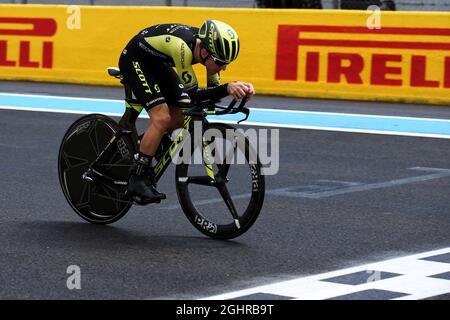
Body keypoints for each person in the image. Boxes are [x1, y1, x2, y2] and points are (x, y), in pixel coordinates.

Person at [118, 20, 255, 205]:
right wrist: (228, 88)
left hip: (158, 62)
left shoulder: (209, 52)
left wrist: (239, 89)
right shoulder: (182, 48)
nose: (224, 68)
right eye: (222, 63)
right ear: (205, 53)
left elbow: (209, 97)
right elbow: (195, 95)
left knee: (183, 112)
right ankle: (137, 178)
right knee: (162, 117)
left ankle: (149, 144)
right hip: (135, 59)